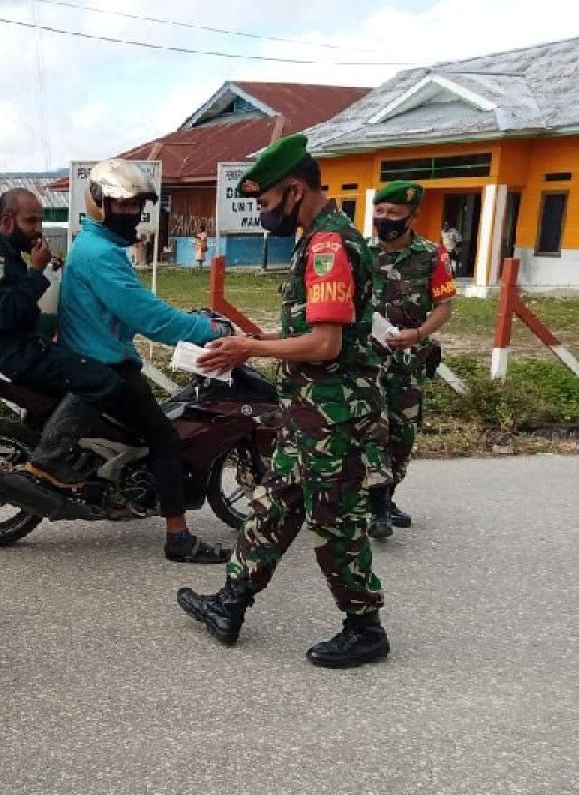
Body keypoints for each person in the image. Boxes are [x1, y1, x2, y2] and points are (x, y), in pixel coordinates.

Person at [176, 134, 392, 668]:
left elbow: (326, 343)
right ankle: (230, 603)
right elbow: (313, 329)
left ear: (294, 191)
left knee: (334, 522)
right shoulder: (317, 238)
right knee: (275, 504)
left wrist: (251, 345)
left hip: (335, 414)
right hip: (311, 411)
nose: (262, 214)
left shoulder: (328, 248)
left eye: (267, 203)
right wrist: (257, 347)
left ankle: (365, 627)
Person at [59, 159, 233, 564]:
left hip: (96, 356)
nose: (132, 213)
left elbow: (137, 308)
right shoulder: (100, 254)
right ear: (99, 204)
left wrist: (193, 320)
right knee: (165, 440)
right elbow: (148, 317)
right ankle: (178, 538)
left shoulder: (95, 247)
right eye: (122, 205)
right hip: (105, 366)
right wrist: (209, 331)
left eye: (137, 204)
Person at [0, 188, 123, 489]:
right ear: (8, 220)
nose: (38, 230)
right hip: (16, 354)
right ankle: (51, 457)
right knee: (103, 381)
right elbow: (7, 316)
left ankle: (42, 447)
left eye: (40, 221)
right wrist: (37, 272)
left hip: (22, 348)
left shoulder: (5, 254)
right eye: (31, 221)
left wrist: (44, 270)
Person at [367, 181, 456, 538]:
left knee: (402, 436)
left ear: (412, 216)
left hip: (409, 360)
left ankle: (386, 497)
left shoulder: (432, 256)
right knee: (373, 429)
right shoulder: (361, 252)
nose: (384, 219)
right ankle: (376, 508)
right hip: (367, 360)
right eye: (380, 211)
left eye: (393, 213)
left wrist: (418, 335)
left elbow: (444, 306)